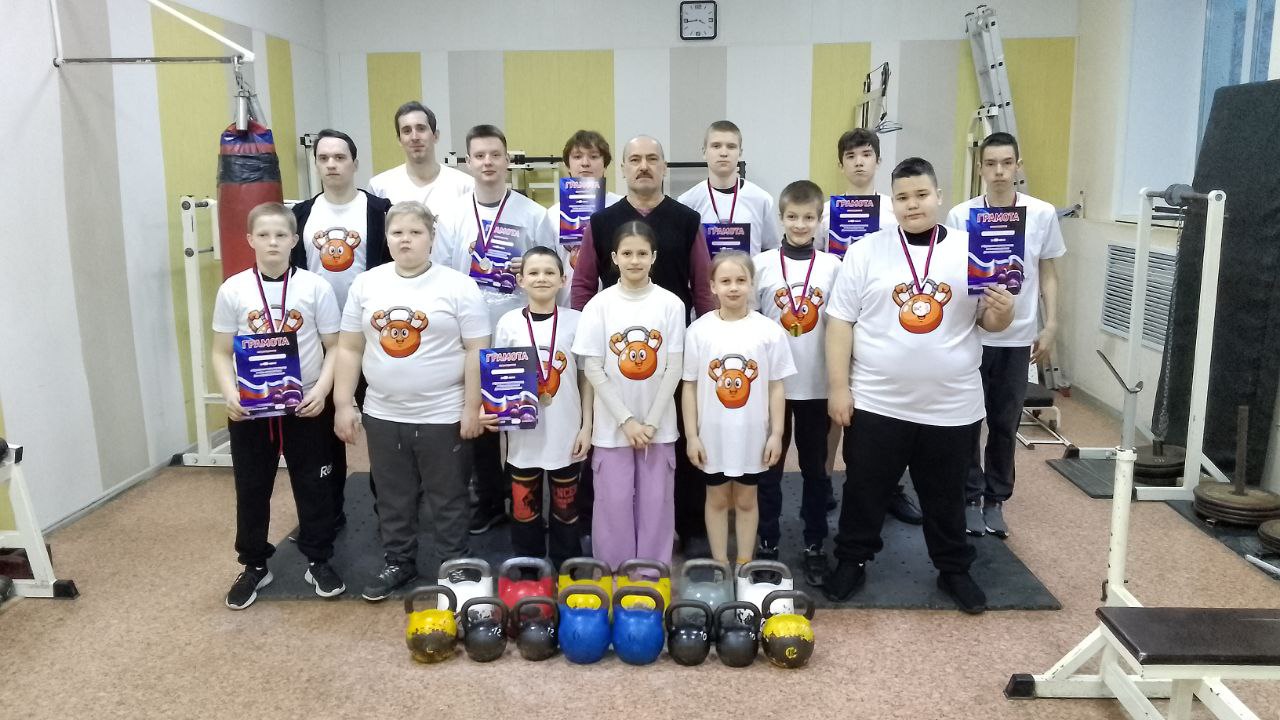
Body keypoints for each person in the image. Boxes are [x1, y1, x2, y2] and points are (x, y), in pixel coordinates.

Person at [823, 157, 1014, 614]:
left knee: (946, 494)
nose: (913, 205)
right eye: (903, 197)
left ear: (939, 196)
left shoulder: (973, 249)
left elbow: (989, 323)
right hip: (878, 399)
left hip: (951, 404)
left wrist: (1004, 310)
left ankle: (953, 569)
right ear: (893, 202)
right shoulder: (866, 251)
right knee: (864, 488)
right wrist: (838, 387)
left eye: (922, 195)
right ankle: (851, 560)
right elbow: (840, 322)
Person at [333, 201, 492, 601]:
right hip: (383, 413)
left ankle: (454, 564)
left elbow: (477, 349)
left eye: (415, 232)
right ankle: (398, 561)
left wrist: (471, 407)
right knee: (392, 496)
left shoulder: (459, 286)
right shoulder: (366, 284)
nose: (406, 240)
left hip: (444, 413)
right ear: (386, 238)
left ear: (432, 238)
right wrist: (343, 404)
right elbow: (349, 348)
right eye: (397, 232)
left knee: (449, 497)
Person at [571, 135, 715, 557]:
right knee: (612, 478)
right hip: (612, 361)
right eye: (635, 159)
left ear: (664, 167)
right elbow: (582, 285)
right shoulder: (601, 222)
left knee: (667, 465)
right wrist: (586, 340)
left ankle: (680, 531)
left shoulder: (687, 220)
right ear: (623, 168)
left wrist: (706, 342)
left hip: (670, 356)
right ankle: (610, 551)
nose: (644, 166)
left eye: (652, 158)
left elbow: (702, 288)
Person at [212, 202, 343, 609]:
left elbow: (336, 346)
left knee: (314, 485)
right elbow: (220, 352)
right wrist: (230, 394)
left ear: (294, 240)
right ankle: (254, 564)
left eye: (281, 235)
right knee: (252, 487)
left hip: (305, 402)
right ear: (249, 239)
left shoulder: (316, 287)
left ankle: (318, 559)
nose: (272, 242)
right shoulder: (233, 289)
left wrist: (322, 391)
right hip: (252, 407)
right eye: (264, 235)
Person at [433, 124, 557, 536]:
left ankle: (527, 501)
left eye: (495, 155)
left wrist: (530, 266)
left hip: (519, 330)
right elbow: (442, 274)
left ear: (507, 160)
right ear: (468, 162)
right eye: (479, 155)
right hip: (469, 334)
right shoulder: (452, 215)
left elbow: (551, 267)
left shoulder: (532, 214)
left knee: (522, 416)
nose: (488, 162)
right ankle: (487, 500)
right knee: (481, 422)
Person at [946, 132, 1065, 539]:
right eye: (991, 163)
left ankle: (996, 498)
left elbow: (1048, 273)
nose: (999, 171)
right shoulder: (961, 215)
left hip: (1017, 338)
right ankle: (969, 496)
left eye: (1006, 163)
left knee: (1004, 421)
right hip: (972, 336)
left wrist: (1051, 325)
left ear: (1018, 166)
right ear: (980, 168)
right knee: (966, 421)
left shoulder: (1041, 214)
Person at [290, 128, 392, 528]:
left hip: (375, 336)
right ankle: (329, 512)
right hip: (323, 340)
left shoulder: (379, 211)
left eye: (339, 157)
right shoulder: (301, 215)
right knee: (325, 427)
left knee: (381, 428)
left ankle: (390, 512)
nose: (331, 164)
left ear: (354, 162)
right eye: (324, 158)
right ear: (316, 164)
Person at [571, 221, 686, 568]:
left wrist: (650, 423)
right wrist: (627, 421)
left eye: (641, 253)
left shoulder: (671, 304)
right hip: (612, 427)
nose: (634, 260)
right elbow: (593, 368)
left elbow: (674, 367)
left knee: (657, 504)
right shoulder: (599, 305)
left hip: (657, 427)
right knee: (613, 504)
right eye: (627, 253)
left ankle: (651, 575)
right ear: (614, 257)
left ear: (654, 257)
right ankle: (614, 574)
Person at [822, 128, 921, 527]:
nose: (859, 162)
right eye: (851, 156)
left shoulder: (895, 211)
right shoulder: (826, 213)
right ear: (841, 164)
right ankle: (824, 482)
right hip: (839, 320)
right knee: (835, 407)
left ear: (878, 161)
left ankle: (890, 488)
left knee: (884, 414)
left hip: (886, 322)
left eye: (866, 154)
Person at [752, 180, 842, 585]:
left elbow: (841, 326)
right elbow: (750, 323)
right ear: (781, 218)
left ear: (820, 220)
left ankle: (814, 542)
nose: (800, 224)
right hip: (771, 386)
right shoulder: (762, 264)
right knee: (769, 468)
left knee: (815, 469)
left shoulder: (833, 267)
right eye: (792, 217)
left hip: (816, 384)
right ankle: (767, 541)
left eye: (808, 217)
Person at [683, 250, 793, 567]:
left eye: (741, 280)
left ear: (751, 284)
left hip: (752, 434)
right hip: (712, 435)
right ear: (712, 286)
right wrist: (692, 436)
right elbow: (689, 386)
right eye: (725, 281)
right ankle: (720, 565)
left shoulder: (769, 331)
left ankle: (744, 565)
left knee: (746, 500)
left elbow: (776, 386)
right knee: (717, 499)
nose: (733, 287)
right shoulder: (699, 331)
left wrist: (776, 434)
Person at [492, 247, 592, 567]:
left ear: (563, 280)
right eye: (533, 272)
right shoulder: (508, 323)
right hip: (523, 434)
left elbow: (586, 379)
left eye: (550, 272)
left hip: (566, 430)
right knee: (524, 508)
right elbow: (497, 378)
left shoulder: (577, 321)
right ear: (521, 280)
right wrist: (495, 414)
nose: (541, 278)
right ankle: (528, 568)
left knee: (566, 508)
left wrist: (587, 426)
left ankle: (566, 566)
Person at [676, 120, 780, 256]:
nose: (723, 153)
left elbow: (771, 251)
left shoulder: (762, 200)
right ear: (704, 152)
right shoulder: (687, 202)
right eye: (716, 146)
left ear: (740, 153)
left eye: (731, 146)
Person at [546, 130, 624, 306]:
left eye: (594, 156)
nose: (585, 163)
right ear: (567, 165)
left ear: (605, 165)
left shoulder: (622, 207)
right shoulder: (552, 214)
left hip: (614, 306)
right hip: (567, 306)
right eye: (577, 156)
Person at [368, 101, 474, 223]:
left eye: (421, 129)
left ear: (435, 136)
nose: (414, 137)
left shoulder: (466, 186)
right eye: (407, 131)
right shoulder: (379, 187)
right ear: (399, 140)